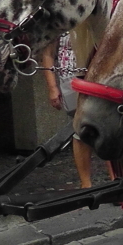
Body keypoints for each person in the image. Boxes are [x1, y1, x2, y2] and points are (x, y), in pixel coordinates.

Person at [41, 32, 98, 188]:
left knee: (106, 125)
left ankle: (116, 179)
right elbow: (48, 54)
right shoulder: (58, 21)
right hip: (70, 79)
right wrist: (52, 87)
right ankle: (86, 184)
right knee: (79, 130)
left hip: (98, 75)